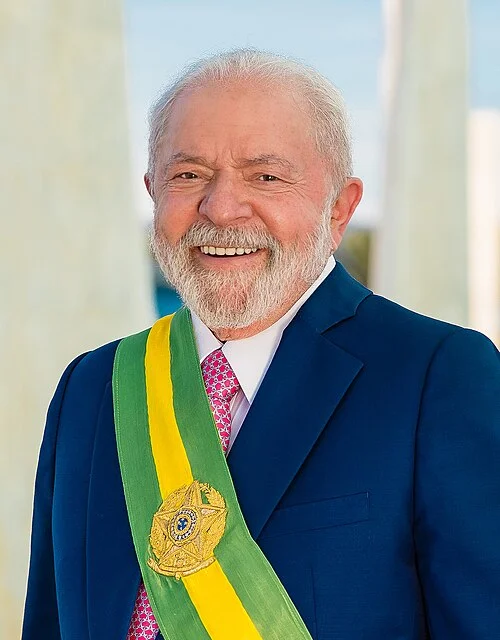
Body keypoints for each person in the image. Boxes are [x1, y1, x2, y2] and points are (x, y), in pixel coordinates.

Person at [23, 49, 500, 640]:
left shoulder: (438, 376)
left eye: (266, 177)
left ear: (340, 208)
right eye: (188, 175)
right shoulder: (91, 388)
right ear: (152, 192)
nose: (221, 209)